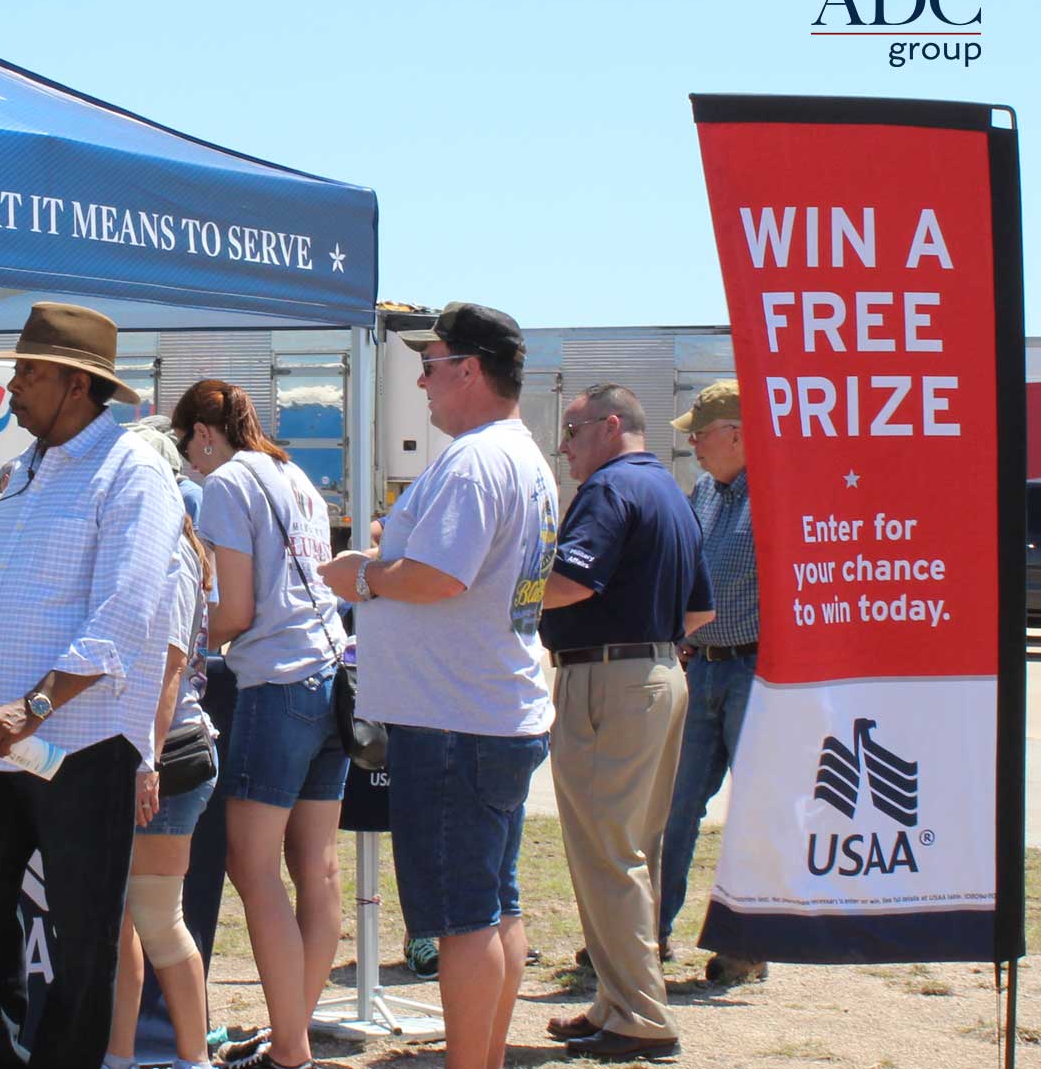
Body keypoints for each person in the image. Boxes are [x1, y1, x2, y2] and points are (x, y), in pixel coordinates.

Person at [0, 302, 182, 1069]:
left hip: (77, 744)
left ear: (78, 385)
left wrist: (35, 705)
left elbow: (126, 617)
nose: (11, 386)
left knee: (81, 943)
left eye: (28, 373)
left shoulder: (134, 474)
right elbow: (19, 585)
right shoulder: (30, 468)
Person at [317, 302, 559, 1069]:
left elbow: (438, 578)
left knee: (462, 921)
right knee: (493, 909)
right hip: (488, 711)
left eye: (431, 365)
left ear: (470, 369)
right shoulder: (518, 456)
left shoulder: (477, 459)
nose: (420, 382)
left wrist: (360, 576)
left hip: (457, 721)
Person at [171, 379, 349, 1069]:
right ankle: (290, 1037)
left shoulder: (226, 484)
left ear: (203, 434)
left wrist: (183, 633)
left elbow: (236, 611)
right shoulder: (293, 473)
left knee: (253, 864)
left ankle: (291, 1050)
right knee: (318, 867)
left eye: (187, 446)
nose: (189, 462)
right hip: (331, 678)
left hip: (278, 685)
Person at [536, 383, 710, 1061]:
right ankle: (619, 1001)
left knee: (608, 853)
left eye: (573, 430)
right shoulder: (670, 491)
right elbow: (700, 612)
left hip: (607, 678)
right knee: (629, 851)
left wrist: (500, 585)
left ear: (611, 427)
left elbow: (572, 579)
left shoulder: (610, 491)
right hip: (660, 673)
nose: (565, 446)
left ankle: (639, 1015)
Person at [105, 426, 216, 1069]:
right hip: (147, 753)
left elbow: (169, 675)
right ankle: (122, 1056)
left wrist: (144, 761)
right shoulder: (152, 549)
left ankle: (192, 1058)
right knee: (126, 920)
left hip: (166, 755)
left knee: (154, 918)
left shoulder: (171, 556)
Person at [661, 379, 767, 986]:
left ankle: (746, 945)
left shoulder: (780, 496)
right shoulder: (703, 492)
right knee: (673, 808)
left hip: (758, 670)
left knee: (752, 812)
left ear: (738, 433)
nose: (694, 443)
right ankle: (646, 936)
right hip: (700, 666)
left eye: (701, 433)